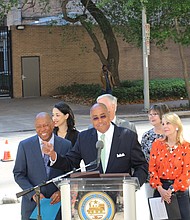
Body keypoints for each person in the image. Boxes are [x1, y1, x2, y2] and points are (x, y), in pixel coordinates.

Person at [43, 103, 148, 187]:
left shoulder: (128, 137)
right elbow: (70, 162)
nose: (100, 121)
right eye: (95, 118)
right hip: (93, 197)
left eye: (103, 116)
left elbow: (141, 165)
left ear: (109, 116)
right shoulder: (84, 137)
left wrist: (133, 185)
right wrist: (53, 155)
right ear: (91, 120)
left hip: (121, 196)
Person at [13, 112, 72, 220]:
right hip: (32, 208)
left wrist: (61, 191)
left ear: (53, 124)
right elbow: (19, 174)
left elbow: (71, 173)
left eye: (45, 125)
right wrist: (33, 194)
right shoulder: (25, 146)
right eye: (38, 127)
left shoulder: (65, 145)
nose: (42, 129)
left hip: (58, 207)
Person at [149, 112, 190, 220]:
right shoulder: (157, 144)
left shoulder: (186, 146)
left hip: (180, 193)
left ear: (176, 126)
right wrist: (161, 190)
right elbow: (152, 169)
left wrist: (170, 190)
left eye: (168, 123)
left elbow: (186, 173)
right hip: (160, 190)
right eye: (163, 124)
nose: (165, 126)